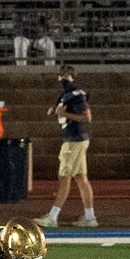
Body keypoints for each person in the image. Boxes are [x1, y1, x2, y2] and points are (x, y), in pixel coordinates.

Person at [39, 67, 96, 229]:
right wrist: (55, 111)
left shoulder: (77, 95)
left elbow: (86, 118)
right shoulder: (66, 96)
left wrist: (64, 115)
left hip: (74, 140)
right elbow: (61, 109)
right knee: (81, 178)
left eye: (66, 76)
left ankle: (53, 216)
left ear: (72, 77)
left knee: (64, 178)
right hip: (75, 139)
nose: (63, 79)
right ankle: (90, 217)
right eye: (61, 76)